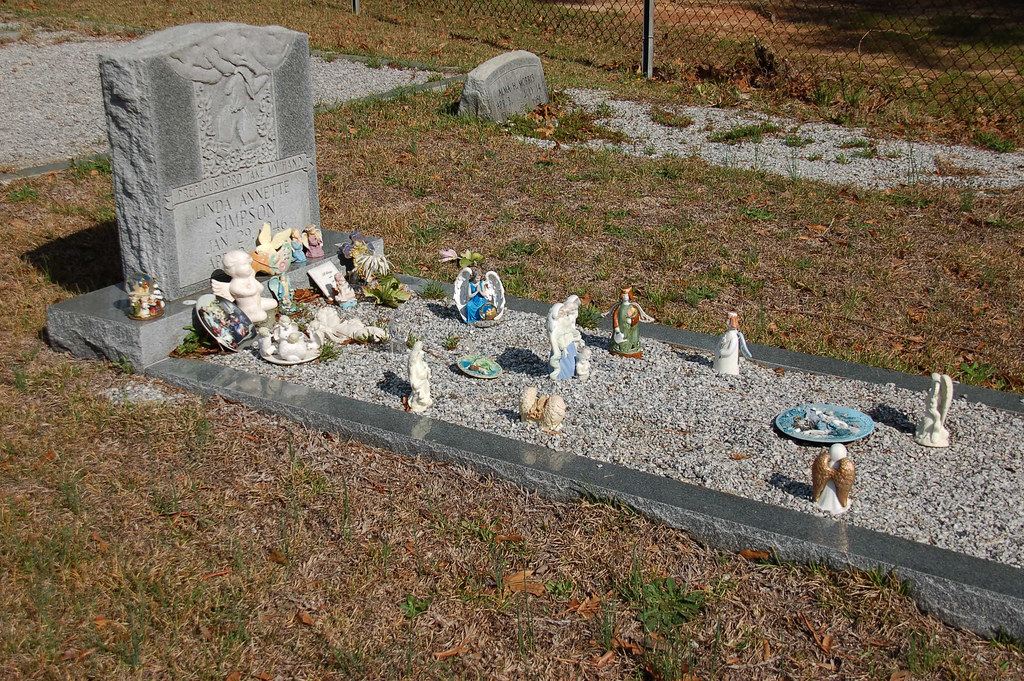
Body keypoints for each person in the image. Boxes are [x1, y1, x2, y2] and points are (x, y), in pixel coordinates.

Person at [604, 287, 654, 358]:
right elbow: (615, 316)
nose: (625, 297)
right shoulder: (619, 307)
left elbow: (636, 316)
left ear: (630, 296)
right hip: (620, 327)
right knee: (619, 337)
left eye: (626, 295)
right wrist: (616, 327)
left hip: (629, 328)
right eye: (623, 295)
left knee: (631, 336)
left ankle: (631, 348)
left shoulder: (632, 307)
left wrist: (632, 321)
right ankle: (618, 348)